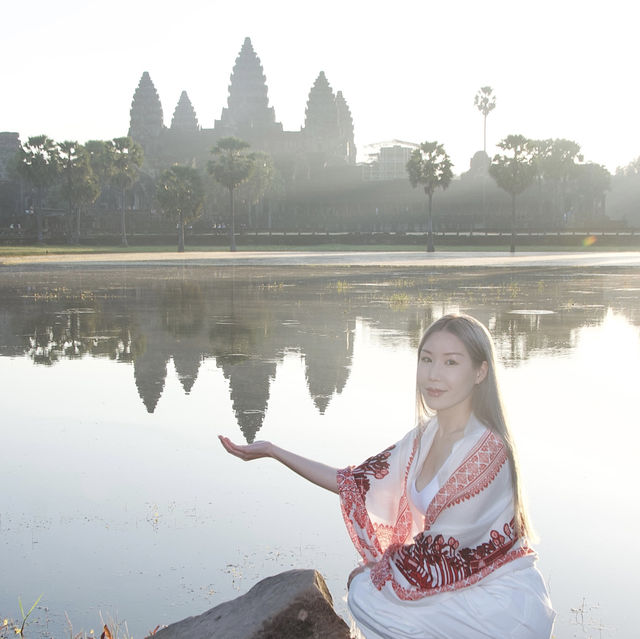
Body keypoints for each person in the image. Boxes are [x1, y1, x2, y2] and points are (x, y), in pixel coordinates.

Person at [219, 313, 555, 639]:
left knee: (367, 592)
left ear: (481, 371)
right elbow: (354, 483)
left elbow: (442, 556)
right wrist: (274, 452)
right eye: (426, 360)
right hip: (453, 589)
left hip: (498, 602)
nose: (433, 375)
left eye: (451, 362)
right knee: (367, 591)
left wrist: (377, 571)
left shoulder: (487, 451)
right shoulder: (425, 437)